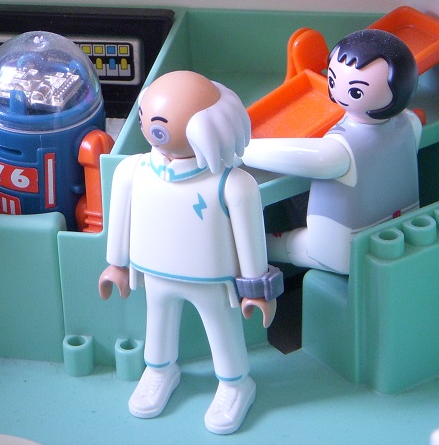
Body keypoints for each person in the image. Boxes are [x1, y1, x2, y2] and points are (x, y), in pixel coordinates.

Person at [99, 71, 282, 435]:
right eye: (145, 116)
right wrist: (116, 265)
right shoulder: (132, 171)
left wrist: (256, 288)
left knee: (221, 328)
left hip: (211, 279)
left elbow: (250, 240)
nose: (149, 127)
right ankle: (159, 370)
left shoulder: (233, 184)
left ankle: (234, 383)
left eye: (160, 123)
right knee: (158, 322)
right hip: (154, 271)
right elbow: (119, 220)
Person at [242, 29, 421, 275]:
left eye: (355, 91)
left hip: (340, 249)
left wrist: (241, 148)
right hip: (402, 228)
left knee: (260, 245)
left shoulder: (338, 151)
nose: (335, 89)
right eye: (333, 79)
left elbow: (292, 155)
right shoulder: (410, 122)